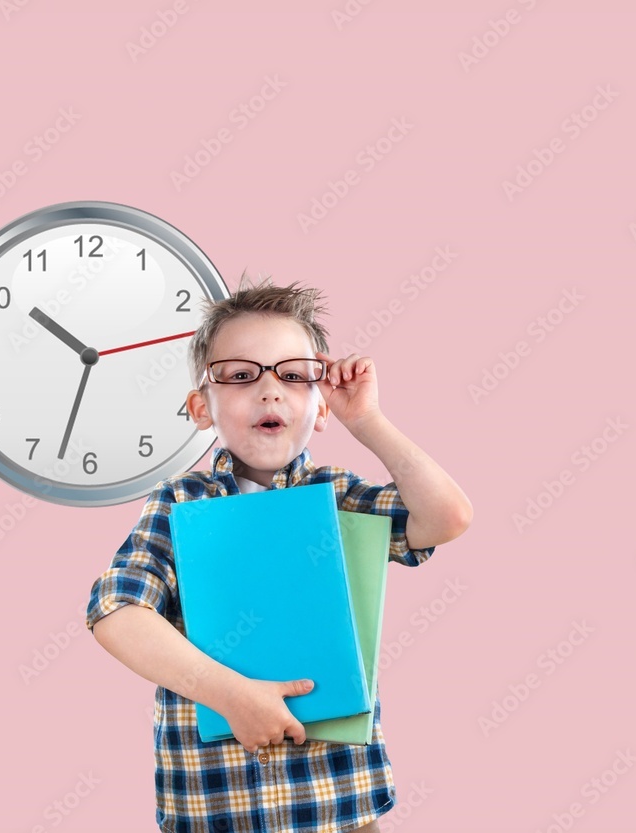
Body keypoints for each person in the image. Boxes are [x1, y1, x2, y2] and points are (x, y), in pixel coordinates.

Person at [86, 276, 472, 832]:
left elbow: (446, 517)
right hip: (217, 807)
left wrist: (368, 422)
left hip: (340, 802)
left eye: (293, 377)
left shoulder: (335, 495)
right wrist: (231, 695)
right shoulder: (180, 503)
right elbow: (116, 612)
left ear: (319, 409)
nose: (269, 391)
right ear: (201, 407)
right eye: (241, 376)